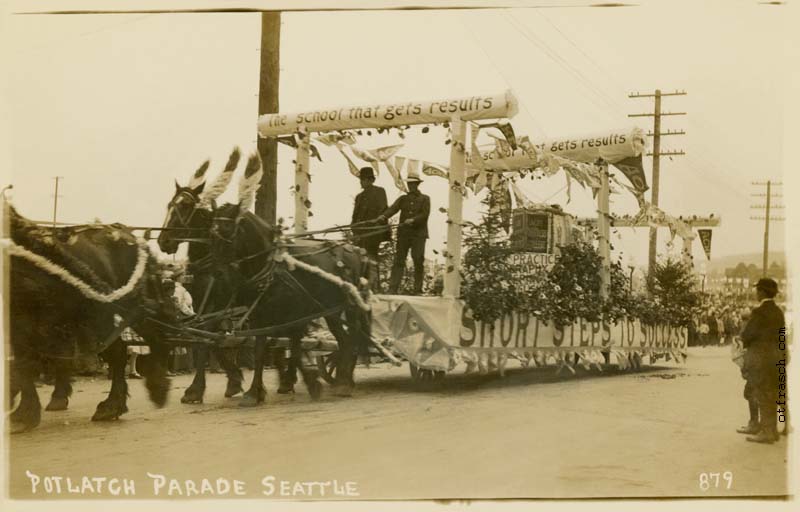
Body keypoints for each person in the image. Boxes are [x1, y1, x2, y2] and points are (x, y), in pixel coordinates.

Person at [739, 277, 785, 444]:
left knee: (762, 394)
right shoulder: (779, 312)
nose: (756, 292)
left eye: (757, 290)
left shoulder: (758, 312)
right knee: (772, 393)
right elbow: (782, 337)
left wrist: (743, 338)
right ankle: (772, 430)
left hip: (760, 357)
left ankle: (766, 432)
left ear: (763, 292)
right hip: (776, 356)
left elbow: (748, 335)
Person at [375, 170, 430, 295]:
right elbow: (393, 209)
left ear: (417, 184)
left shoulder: (425, 198)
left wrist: (413, 220)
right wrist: (383, 216)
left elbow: (425, 214)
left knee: (418, 260)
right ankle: (393, 289)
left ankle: (417, 289)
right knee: (399, 260)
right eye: (409, 184)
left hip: (418, 235)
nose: (411, 186)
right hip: (404, 234)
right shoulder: (402, 199)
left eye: (413, 184)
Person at [351, 167, 390, 290]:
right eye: (360, 179)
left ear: (370, 180)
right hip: (361, 232)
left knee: (372, 257)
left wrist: (376, 224)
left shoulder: (379, 191)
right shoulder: (359, 197)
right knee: (359, 258)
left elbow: (383, 209)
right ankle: (363, 286)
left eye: (362, 179)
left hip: (373, 232)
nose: (361, 182)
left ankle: (374, 286)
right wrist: (354, 228)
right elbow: (355, 215)